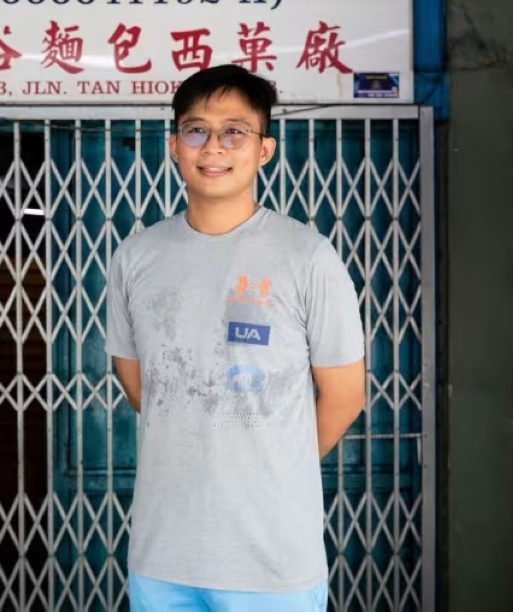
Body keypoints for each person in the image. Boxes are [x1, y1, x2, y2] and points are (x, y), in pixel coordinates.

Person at [104, 63, 367, 612]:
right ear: (174, 146)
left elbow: (345, 396)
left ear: (264, 149)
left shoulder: (308, 257)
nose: (213, 147)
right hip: (161, 560)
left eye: (234, 132)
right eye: (196, 130)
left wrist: (266, 461)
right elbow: (141, 386)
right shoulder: (135, 257)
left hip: (272, 565)